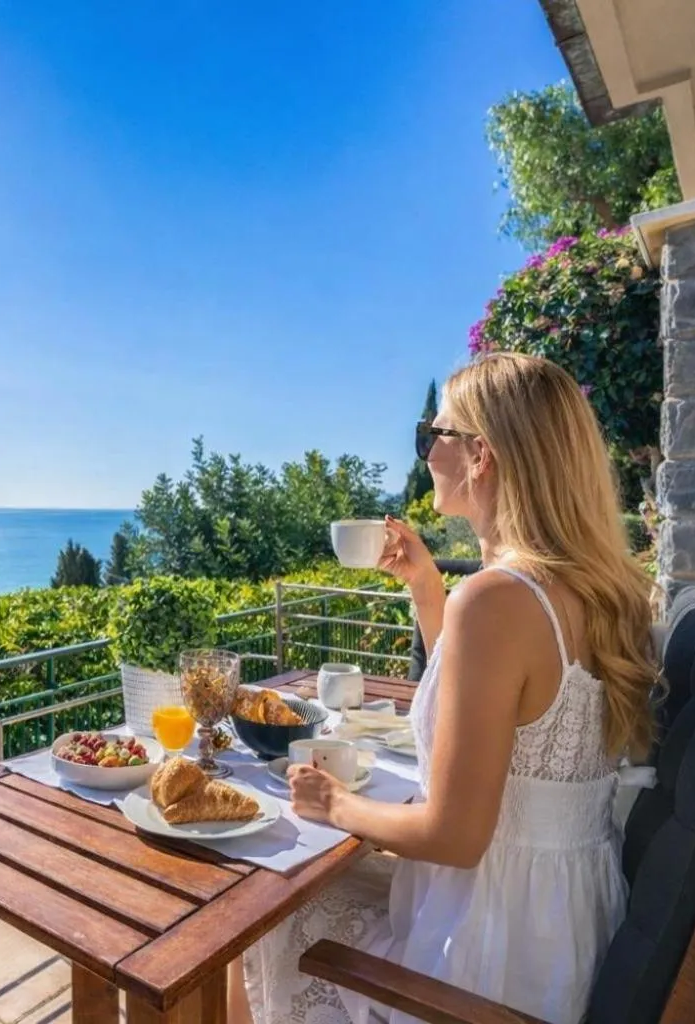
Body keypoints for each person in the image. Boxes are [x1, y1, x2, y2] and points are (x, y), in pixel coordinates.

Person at [233, 352, 659, 1024]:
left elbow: (455, 835)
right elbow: (509, 701)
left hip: (483, 954)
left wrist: (334, 802)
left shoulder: (497, 601)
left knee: (252, 912)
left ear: (479, 455)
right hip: (562, 929)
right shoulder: (595, 588)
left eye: (432, 437)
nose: (426, 453)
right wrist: (430, 591)